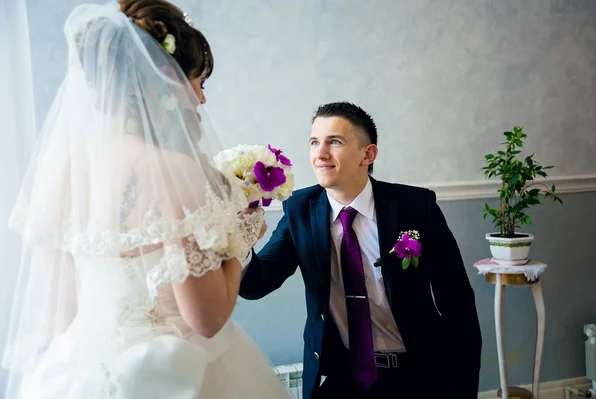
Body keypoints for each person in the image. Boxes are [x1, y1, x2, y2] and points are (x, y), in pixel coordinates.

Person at [2, 1, 291, 398]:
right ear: (164, 81)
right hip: (181, 370)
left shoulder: (65, 171)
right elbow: (206, 319)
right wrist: (241, 242)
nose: (201, 101)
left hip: (81, 372)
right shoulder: (176, 172)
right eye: (197, 83)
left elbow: (57, 311)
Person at [239, 101, 483, 398]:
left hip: (418, 375)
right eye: (314, 142)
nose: (320, 154)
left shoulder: (416, 207)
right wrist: (242, 236)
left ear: (368, 154)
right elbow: (255, 284)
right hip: (342, 375)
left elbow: (457, 302)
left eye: (335, 142)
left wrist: (464, 388)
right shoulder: (299, 210)